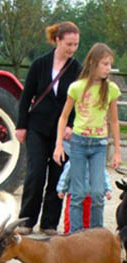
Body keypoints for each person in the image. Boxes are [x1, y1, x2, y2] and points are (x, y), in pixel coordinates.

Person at [15, 21, 81, 236]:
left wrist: (71, 124)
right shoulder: (39, 64)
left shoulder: (77, 68)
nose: (72, 49)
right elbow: (26, 97)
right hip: (37, 126)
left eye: (76, 45)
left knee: (57, 175)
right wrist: (21, 125)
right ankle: (26, 219)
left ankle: (49, 223)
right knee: (35, 174)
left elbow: (79, 100)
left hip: (62, 132)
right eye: (68, 44)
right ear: (57, 40)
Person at [53, 43, 121, 233]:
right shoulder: (76, 87)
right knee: (77, 193)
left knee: (98, 193)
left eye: (110, 64)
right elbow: (64, 116)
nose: (109, 68)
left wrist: (116, 150)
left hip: (99, 145)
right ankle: (75, 236)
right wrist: (59, 145)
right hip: (79, 144)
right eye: (105, 64)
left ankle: (96, 236)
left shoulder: (111, 89)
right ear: (93, 63)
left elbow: (114, 121)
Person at [56, 141, 112, 234]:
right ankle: (71, 233)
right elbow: (65, 177)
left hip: (91, 195)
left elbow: (104, 176)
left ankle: (88, 234)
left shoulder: (98, 164)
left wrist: (107, 189)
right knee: (71, 214)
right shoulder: (72, 162)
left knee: (89, 216)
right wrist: (61, 189)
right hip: (74, 193)